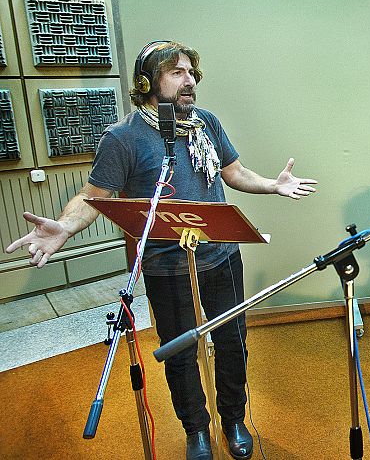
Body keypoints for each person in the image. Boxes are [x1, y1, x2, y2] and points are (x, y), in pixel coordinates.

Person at [5, 41, 318, 460]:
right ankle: (196, 431)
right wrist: (63, 225)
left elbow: (235, 172)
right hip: (163, 265)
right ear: (146, 82)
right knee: (180, 351)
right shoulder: (123, 138)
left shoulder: (206, 122)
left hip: (221, 257)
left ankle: (233, 419)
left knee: (232, 341)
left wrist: (272, 185)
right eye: (177, 73)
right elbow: (93, 195)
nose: (189, 81)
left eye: (191, 73)